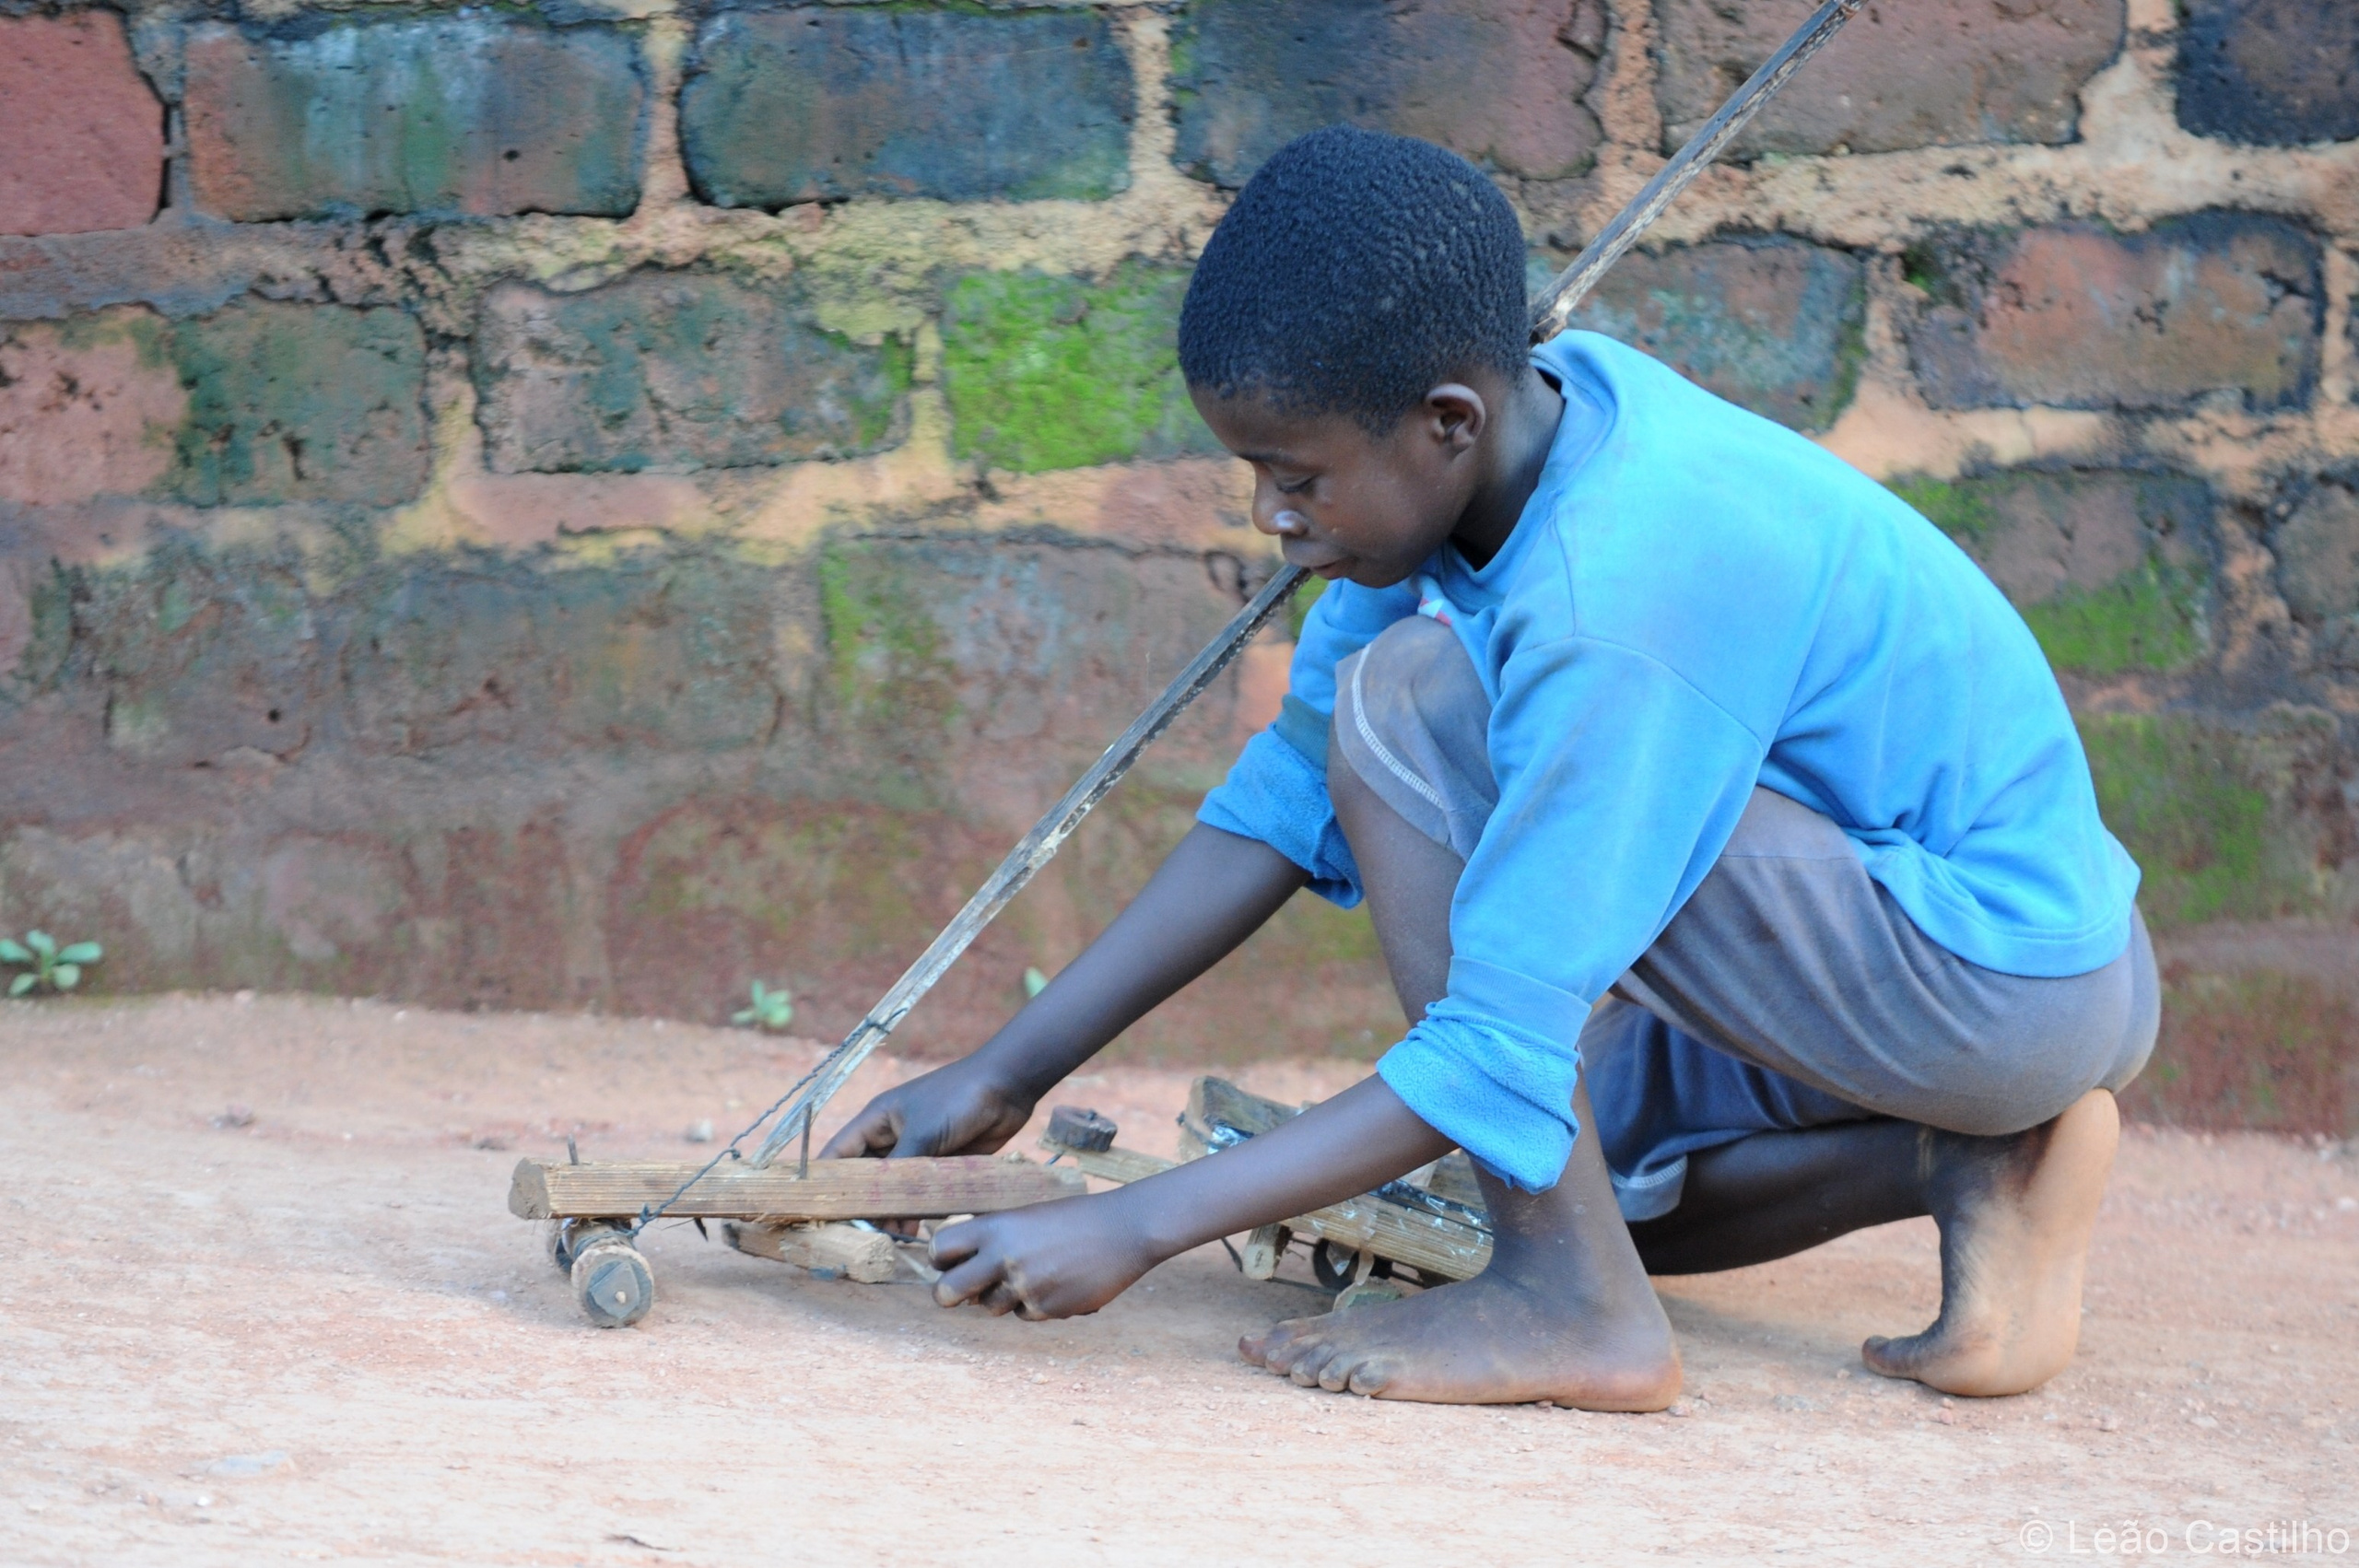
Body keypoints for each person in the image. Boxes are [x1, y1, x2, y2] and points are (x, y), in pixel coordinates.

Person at [820, 125, 2156, 1410]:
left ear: (1445, 420)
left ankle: (1574, 1307)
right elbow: (1285, 801)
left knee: (1414, 740)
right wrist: (1007, 1071)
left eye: (1295, 478)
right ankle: (1984, 1154)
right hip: (1946, 975)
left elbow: (1496, 1038)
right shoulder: (1502, 447)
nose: (1271, 520)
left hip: (1998, 973)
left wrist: (1141, 1223)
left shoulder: (1615, 591)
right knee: (1552, 1168)